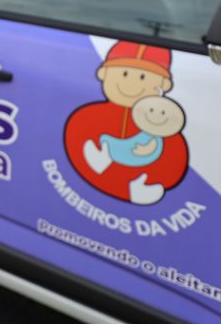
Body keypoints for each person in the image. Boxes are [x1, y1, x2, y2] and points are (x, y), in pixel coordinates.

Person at [64, 41, 188, 205]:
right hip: (96, 171)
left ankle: (140, 189)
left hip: (140, 183)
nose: (132, 84)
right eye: (124, 74)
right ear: (104, 74)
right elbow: (75, 138)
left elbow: (176, 160)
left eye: (143, 77)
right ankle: (100, 162)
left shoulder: (159, 124)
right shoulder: (88, 115)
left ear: (162, 86)